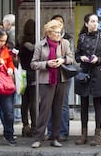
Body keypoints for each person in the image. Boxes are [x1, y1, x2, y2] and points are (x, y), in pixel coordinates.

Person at [30, 19, 74, 148]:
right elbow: (33, 63)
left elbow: (71, 58)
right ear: (49, 33)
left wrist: (63, 60)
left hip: (61, 79)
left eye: (60, 32)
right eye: (56, 32)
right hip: (46, 80)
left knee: (58, 109)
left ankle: (55, 137)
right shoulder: (40, 45)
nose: (59, 35)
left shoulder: (64, 43)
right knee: (44, 109)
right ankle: (38, 137)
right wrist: (46, 64)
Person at [74, 13, 101, 146]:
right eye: (92, 21)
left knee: (97, 104)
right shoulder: (82, 37)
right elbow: (77, 55)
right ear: (86, 23)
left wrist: (99, 59)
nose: (95, 24)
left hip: (98, 72)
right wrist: (81, 58)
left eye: (97, 21)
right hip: (84, 72)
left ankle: (97, 135)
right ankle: (83, 135)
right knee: (83, 104)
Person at [46, 14, 74, 142]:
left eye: (60, 23)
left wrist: (62, 60)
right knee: (49, 104)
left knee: (63, 104)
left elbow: (71, 57)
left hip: (64, 74)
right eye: (55, 23)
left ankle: (63, 132)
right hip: (49, 75)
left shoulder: (67, 40)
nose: (58, 25)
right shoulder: (45, 41)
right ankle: (50, 131)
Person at [18, 19, 37, 137]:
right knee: (34, 102)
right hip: (34, 73)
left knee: (24, 102)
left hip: (23, 74)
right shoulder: (37, 43)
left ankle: (25, 125)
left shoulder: (20, 42)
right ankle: (35, 126)